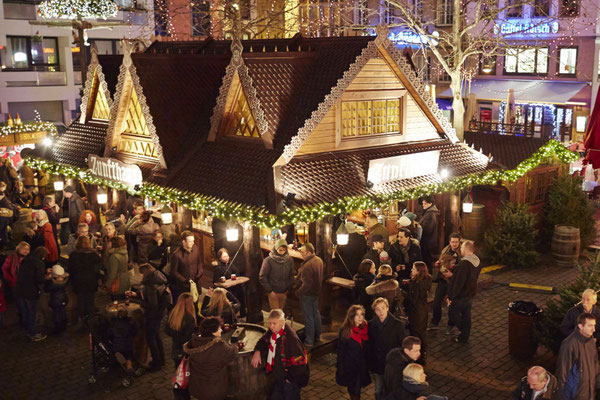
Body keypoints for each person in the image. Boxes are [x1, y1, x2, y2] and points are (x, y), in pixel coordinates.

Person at [251, 309, 309, 400]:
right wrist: (258, 351)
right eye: (270, 323)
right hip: (278, 378)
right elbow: (263, 340)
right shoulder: (273, 332)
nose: (271, 327)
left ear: (282, 323)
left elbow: (300, 363)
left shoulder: (291, 339)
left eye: (274, 323)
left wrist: (290, 379)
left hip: (289, 381)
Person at [184, 316, 238, 400]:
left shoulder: (194, 341)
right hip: (214, 389)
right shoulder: (219, 345)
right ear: (213, 331)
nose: (221, 330)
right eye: (219, 328)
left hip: (197, 386)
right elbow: (232, 352)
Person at [132, 263, 171, 371]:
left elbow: (152, 304)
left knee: (151, 337)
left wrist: (140, 303)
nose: (140, 276)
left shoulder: (151, 285)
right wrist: (137, 295)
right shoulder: (158, 278)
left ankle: (156, 362)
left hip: (154, 314)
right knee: (156, 335)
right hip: (160, 312)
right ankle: (161, 359)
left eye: (141, 274)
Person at [367, 297, 406, 400]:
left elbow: (402, 344)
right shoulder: (370, 325)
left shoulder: (397, 324)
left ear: (387, 308)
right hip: (377, 364)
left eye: (383, 308)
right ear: (374, 311)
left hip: (391, 365)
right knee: (378, 389)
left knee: (391, 390)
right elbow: (369, 345)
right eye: (378, 309)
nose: (381, 312)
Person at [556, 312, 600, 399]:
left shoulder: (591, 341)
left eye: (594, 325)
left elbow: (595, 364)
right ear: (580, 326)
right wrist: (560, 395)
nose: (594, 329)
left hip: (589, 392)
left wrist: (597, 384)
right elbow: (562, 372)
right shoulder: (569, 344)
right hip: (576, 394)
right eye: (590, 326)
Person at [447, 240, 480, 343]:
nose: (460, 249)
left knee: (453, 314)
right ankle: (464, 336)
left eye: (461, 248)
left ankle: (465, 332)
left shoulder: (464, 264)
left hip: (460, 295)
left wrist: (451, 297)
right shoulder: (477, 261)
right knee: (466, 315)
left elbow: (459, 282)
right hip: (469, 294)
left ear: (466, 249)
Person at [336, 304, 371, 400]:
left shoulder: (365, 327)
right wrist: (340, 369)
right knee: (354, 391)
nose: (360, 317)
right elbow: (341, 352)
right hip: (350, 368)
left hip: (361, 366)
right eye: (357, 315)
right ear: (351, 317)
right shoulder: (345, 331)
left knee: (358, 390)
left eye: (362, 314)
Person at [15, 246, 49, 341]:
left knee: (25, 312)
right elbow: (39, 279)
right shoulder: (39, 263)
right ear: (42, 256)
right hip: (30, 291)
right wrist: (45, 276)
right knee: (31, 313)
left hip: (20, 290)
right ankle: (32, 334)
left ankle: (27, 331)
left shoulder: (26, 260)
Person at [430, 233, 462, 330]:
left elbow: (462, 271)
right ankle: (435, 322)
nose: (454, 244)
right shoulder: (445, 250)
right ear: (449, 242)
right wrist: (437, 264)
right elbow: (441, 261)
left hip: (453, 282)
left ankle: (451, 324)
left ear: (459, 242)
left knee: (451, 304)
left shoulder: (461, 254)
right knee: (436, 302)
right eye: (452, 242)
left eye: (456, 242)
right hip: (443, 280)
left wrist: (453, 272)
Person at [68, 236, 102, 320]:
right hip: (91, 280)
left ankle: (82, 317)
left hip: (78, 281)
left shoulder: (73, 255)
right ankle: (90, 316)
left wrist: (71, 281)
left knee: (80, 299)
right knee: (90, 299)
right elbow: (98, 268)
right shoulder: (93, 254)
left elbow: (71, 269)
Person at [296, 243, 324, 347]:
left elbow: (306, 284)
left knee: (308, 317)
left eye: (302, 252)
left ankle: (309, 341)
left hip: (307, 294)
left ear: (308, 252)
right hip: (316, 293)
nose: (301, 254)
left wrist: (298, 292)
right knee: (315, 314)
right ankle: (317, 336)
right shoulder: (319, 260)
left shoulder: (307, 265)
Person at [403, 262, 431, 355]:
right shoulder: (426, 279)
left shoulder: (416, 284)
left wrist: (402, 293)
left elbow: (413, 299)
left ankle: (419, 352)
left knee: (416, 332)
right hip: (423, 309)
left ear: (418, 271)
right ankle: (423, 350)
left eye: (413, 269)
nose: (411, 270)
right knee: (422, 331)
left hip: (416, 311)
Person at [259, 238, 295, 311]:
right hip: (273, 291)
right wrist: (270, 290)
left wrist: (288, 288)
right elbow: (262, 276)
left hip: (284, 290)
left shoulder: (289, 260)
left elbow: (291, 274)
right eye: (280, 250)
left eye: (284, 250)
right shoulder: (268, 260)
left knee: (281, 312)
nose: (282, 252)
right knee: (275, 312)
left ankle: (281, 322)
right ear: (276, 248)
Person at [170, 230, 203, 306]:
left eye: (193, 241)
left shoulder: (195, 249)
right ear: (183, 242)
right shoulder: (177, 255)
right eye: (190, 241)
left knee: (196, 304)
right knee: (186, 305)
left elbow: (199, 263)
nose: (193, 243)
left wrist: (200, 272)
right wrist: (184, 280)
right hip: (183, 286)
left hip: (195, 282)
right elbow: (174, 271)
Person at [166, 293, 197, 369]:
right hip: (186, 350)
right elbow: (188, 337)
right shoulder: (189, 319)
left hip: (176, 349)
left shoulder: (173, 314)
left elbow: (167, 330)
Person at [213, 247, 246, 318]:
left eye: (227, 256)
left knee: (241, 290)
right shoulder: (219, 267)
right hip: (226, 289)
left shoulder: (230, 263)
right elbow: (216, 281)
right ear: (219, 258)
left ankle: (243, 312)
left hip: (233, 286)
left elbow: (236, 272)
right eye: (224, 257)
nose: (226, 258)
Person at [108, 306, 138, 372]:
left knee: (119, 349)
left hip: (117, 343)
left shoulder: (114, 323)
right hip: (127, 344)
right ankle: (129, 364)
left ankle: (118, 355)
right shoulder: (129, 323)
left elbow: (110, 334)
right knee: (128, 354)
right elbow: (134, 332)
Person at [44, 264, 69, 334]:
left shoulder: (52, 284)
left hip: (55, 300)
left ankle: (58, 327)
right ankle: (64, 324)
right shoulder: (65, 282)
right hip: (64, 299)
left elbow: (46, 289)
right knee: (63, 312)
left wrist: (48, 277)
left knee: (56, 314)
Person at [417, 196, 439, 272]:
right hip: (428, 241)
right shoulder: (428, 212)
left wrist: (419, 226)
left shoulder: (430, 214)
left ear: (430, 203)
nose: (423, 205)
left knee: (428, 261)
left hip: (428, 241)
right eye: (422, 203)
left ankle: (428, 277)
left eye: (425, 203)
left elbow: (428, 229)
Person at [104, 236, 130, 301]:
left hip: (117, 284)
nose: (108, 244)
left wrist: (107, 285)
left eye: (109, 243)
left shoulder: (114, 256)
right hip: (125, 280)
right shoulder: (124, 252)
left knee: (116, 302)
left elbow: (113, 274)